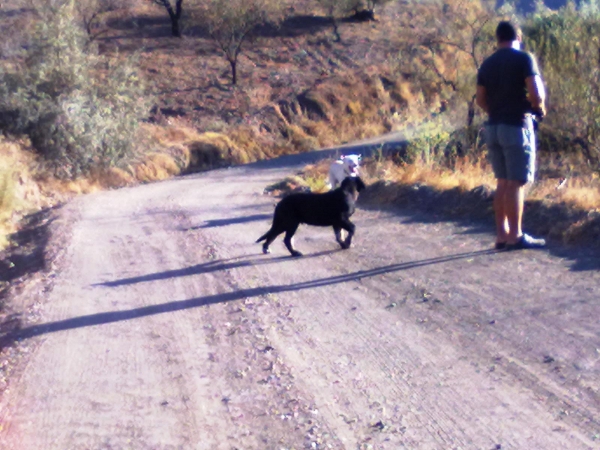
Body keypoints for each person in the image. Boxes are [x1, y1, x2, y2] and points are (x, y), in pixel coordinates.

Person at [476, 21, 547, 250]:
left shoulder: (487, 64)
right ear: (519, 35)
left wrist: (494, 112)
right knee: (516, 182)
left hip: (494, 126)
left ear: (497, 38)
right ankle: (516, 236)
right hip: (516, 125)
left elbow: (480, 99)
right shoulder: (524, 58)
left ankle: (501, 235)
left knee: (503, 182)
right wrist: (540, 108)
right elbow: (535, 92)